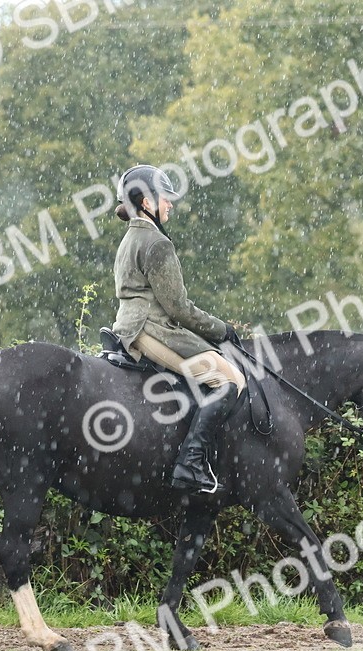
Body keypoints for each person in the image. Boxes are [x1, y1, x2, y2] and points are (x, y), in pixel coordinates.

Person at [109, 164, 246, 493]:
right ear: (146, 203)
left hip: (131, 325)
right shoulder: (157, 243)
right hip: (152, 329)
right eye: (165, 198)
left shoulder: (131, 238)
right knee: (231, 379)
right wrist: (220, 329)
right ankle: (191, 462)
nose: (170, 203)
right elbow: (179, 309)